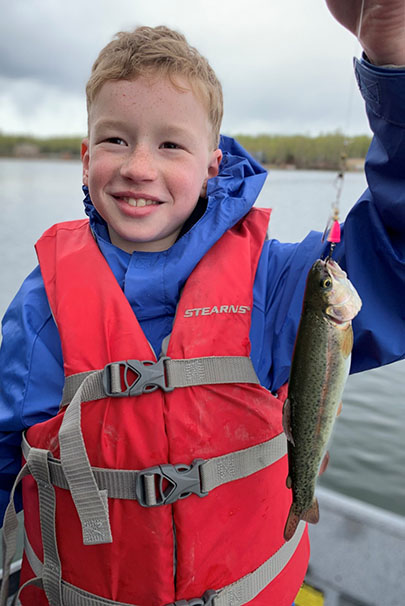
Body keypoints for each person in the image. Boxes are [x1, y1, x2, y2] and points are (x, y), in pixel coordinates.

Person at [0, 1, 404, 605]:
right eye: (115, 139)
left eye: (170, 145)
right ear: (86, 159)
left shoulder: (279, 285)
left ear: (213, 167)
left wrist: (393, 62)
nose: (139, 167)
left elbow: (396, 253)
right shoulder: (40, 311)